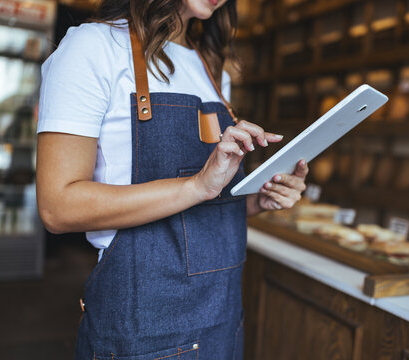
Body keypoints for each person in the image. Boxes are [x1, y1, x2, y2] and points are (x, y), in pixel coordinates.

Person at [36, 0, 308, 359]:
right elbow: (58, 207)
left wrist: (257, 200)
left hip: (221, 322)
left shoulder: (211, 68)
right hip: (143, 332)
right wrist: (197, 186)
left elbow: (197, 212)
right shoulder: (93, 47)